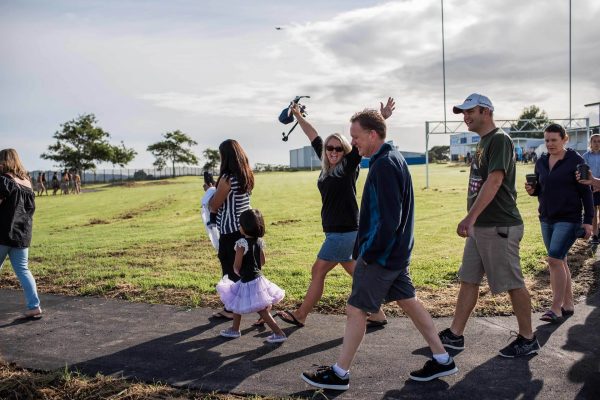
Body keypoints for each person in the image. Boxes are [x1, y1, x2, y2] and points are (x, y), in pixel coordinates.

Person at [301, 109, 458, 391]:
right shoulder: (390, 158)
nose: (353, 143)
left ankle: (340, 374)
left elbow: (388, 219)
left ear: (372, 135)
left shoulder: (385, 165)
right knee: (409, 302)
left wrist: (368, 254)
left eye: (356, 137)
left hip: (382, 256)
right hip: (395, 253)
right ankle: (442, 357)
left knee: (356, 309)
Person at [276, 99, 395, 328]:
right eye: (329, 148)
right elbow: (313, 135)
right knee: (357, 275)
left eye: (338, 148)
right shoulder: (326, 168)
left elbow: (367, 137)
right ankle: (377, 313)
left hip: (344, 231)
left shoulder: (349, 165)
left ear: (345, 151)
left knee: (317, 271)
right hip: (340, 232)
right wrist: (298, 115)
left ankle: (301, 314)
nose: (333, 151)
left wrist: (383, 117)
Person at [438, 93, 539, 357]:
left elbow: (494, 182)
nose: (465, 117)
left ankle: (528, 339)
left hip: (499, 226)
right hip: (482, 226)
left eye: (470, 111)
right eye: (463, 113)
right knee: (468, 279)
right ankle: (455, 334)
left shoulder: (499, 139)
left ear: (486, 111)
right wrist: (474, 221)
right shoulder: (483, 142)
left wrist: (469, 217)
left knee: (513, 283)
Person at [525, 123, 592, 322]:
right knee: (559, 260)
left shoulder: (576, 161)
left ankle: (555, 308)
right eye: (546, 140)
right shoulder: (541, 162)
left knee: (554, 260)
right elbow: (540, 188)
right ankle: (568, 303)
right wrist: (533, 191)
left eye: (554, 140)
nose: (550, 144)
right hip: (546, 218)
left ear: (565, 139)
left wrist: (588, 221)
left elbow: (586, 191)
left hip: (569, 218)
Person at [216, 209, 286, 343]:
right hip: (258, 279)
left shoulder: (241, 243)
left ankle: (279, 333)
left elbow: (236, 266)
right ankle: (235, 329)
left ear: (245, 227)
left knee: (261, 309)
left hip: (248, 280)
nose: (239, 227)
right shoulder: (259, 241)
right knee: (237, 302)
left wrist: (238, 273)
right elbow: (262, 261)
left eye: (240, 224)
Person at [209, 139, 253, 320]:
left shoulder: (227, 178)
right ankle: (260, 306)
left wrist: (210, 191)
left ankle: (230, 309)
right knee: (248, 270)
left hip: (229, 230)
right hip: (245, 227)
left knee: (229, 270)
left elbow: (214, 205)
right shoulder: (247, 175)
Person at [0, 149, 42, 318]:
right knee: (24, 270)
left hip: (2, 233)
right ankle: (34, 306)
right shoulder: (27, 182)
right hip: (22, 235)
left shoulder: (4, 181)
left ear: (4, 161)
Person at [582, 134, 600, 244]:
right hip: (591, 187)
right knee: (593, 211)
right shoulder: (586, 156)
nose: (597, 144)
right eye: (595, 141)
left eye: (599, 141)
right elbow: (585, 172)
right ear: (590, 143)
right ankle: (595, 235)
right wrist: (594, 185)